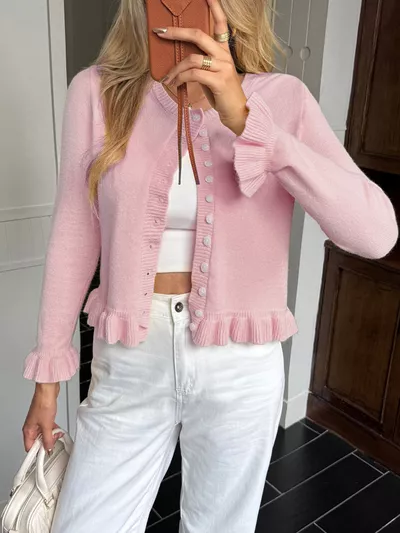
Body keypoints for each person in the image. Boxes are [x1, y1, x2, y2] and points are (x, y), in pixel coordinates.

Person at [22, 0, 398, 532]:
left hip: (240, 364)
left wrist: (249, 122)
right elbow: (73, 235)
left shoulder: (282, 99)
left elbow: (376, 234)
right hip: (130, 358)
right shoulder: (97, 92)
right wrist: (47, 382)